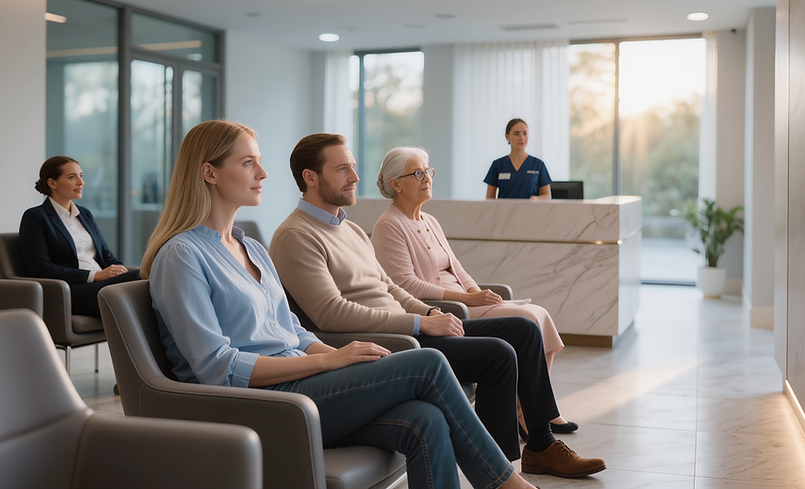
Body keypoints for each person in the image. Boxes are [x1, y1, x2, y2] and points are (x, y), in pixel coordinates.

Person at [140, 120, 538, 489]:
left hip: (300, 387)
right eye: (248, 163)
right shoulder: (182, 256)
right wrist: (326, 362)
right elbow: (217, 369)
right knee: (428, 362)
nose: (263, 174)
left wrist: (340, 356)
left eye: (259, 163)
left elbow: (291, 330)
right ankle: (504, 483)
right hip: (261, 403)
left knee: (426, 418)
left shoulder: (252, 249)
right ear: (210, 173)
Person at [269, 133, 605, 479]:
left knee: (523, 329)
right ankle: (506, 469)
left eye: (353, 167)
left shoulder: (351, 229)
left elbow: (390, 288)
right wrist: (419, 325)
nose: (355, 177)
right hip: (388, 341)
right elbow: (331, 313)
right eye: (343, 170)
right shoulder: (296, 235)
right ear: (310, 177)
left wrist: (428, 313)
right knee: (499, 355)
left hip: (409, 326)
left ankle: (540, 443)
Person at [371, 146, 576, 436]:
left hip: (467, 299)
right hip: (449, 308)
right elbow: (406, 285)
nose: (427, 178)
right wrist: (468, 298)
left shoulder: (430, 220)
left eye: (428, 171)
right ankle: (533, 414)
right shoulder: (389, 225)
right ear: (396, 184)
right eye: (417, 173)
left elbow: (457, 267)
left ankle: (529, 411)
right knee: (528, 321)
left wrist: (478, 291)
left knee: (537, 314)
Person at [20, 156, 139, 317]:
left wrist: (120, 271)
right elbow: (41, 268)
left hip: (102, 285)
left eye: (81, 176)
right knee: (143, 278)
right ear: (52, 183)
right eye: (72, 177)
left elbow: (105, 254)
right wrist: (94, 276)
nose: (81, 182)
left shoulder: (85, 214)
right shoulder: (36, 217)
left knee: (143, 279)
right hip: (71, 290)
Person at [484, 118, 551, 200]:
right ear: (507, 136)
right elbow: (490, 199)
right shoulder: (498, 165)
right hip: (505, 212)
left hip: (531, 212)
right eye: (516, 134)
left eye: (525, 133)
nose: (521, 138)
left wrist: (536, 199)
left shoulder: (538, 165)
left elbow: (547, 196)